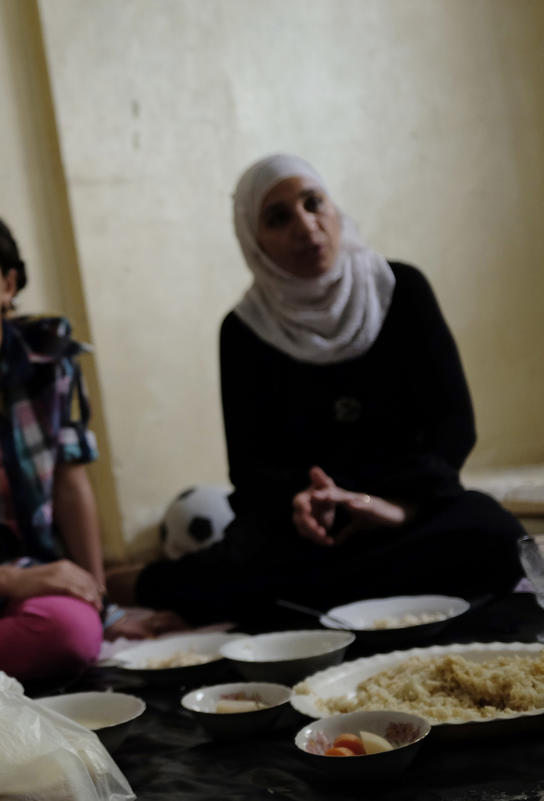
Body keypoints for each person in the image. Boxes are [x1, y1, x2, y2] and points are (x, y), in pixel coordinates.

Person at [118, 154, 525, 629]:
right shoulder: (244, 331)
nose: (305, 225)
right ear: (254, 241)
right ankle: (119, 586)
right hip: (311, 536)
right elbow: (250, 468)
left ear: (334, 209)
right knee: (248, 568)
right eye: (278, 218)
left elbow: (452, 425)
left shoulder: (401, 290)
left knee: (494, 535)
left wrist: (392, 506)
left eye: (313, 203)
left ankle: (296, 607)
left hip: (409, 512)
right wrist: (302, 507)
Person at [0, 204, 182, 684]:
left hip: (43, 579)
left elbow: (71, 486)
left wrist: (102, 603)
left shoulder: (50, 364)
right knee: (59, 631)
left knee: (71, 629)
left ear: (8, 285)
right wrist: (14, 580)